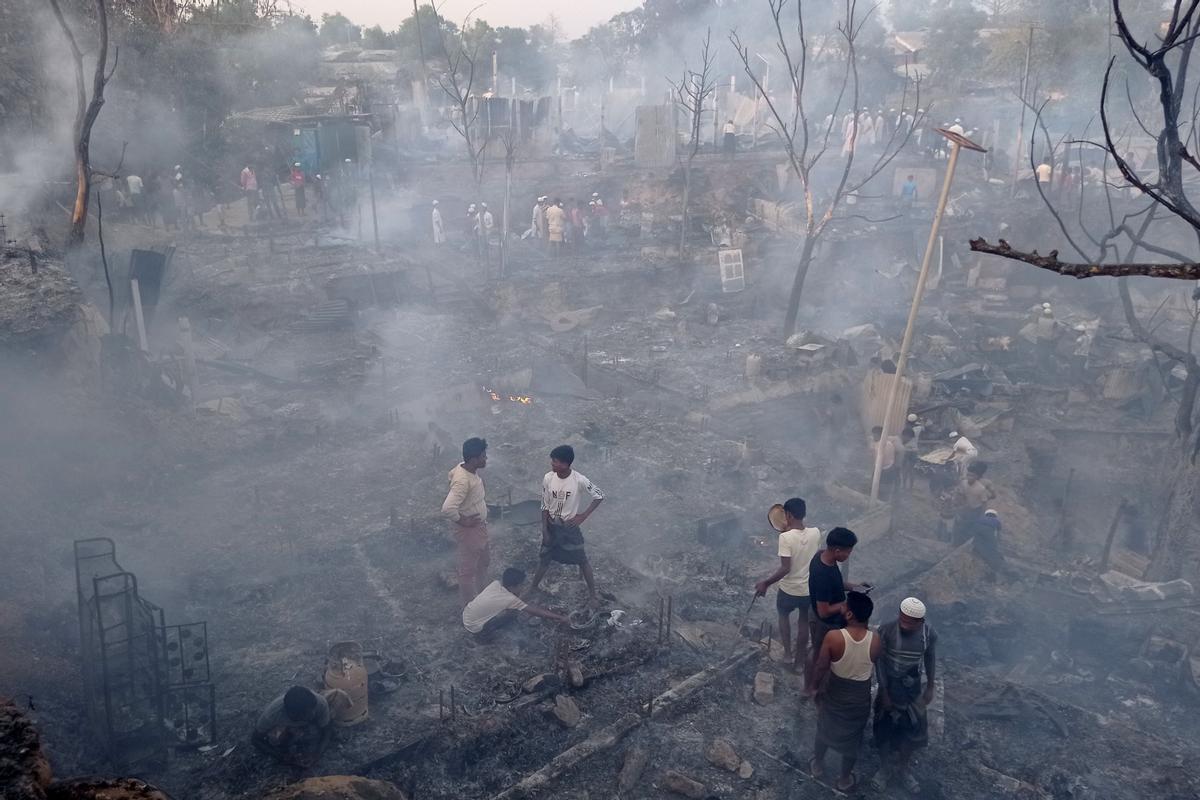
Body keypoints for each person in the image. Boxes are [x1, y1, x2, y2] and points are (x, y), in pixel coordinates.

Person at [811, 591, 881, 792]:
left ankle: (817, 765)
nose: (842, 609)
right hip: (859, 699)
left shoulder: (834, 637)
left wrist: (815, 688)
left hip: (836, 693)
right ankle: (843, 779)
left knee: (824, 728)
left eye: (845, 607)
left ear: (849, 615)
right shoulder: (875, 640)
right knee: (853, 738)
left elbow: (821, 666)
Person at [872, 597, 937, 794]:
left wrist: (930, 686)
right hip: (890, 685)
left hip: (912, 689)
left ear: (921, 621)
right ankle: (884, 769)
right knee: (883, 727)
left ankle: (903, 768)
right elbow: (879, 662)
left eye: (911, 622)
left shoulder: (928, 634)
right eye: (903, 619)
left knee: (913, 730)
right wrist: (884, 691)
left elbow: (930, 657)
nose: (906, 625)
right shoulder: (887, 630)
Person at [754, 497, 821, 675]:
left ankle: (788, 655)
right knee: (803, 623)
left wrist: (766, 583)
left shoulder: (785, 538)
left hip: (789, 590)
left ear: (788, 515)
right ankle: (799, 664)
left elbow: (785, 568)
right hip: (808, 590)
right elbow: (807, 544)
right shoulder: (815, 533)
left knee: (783, 617)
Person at [531, 445, 605, 603]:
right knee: (544, 558)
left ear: (565, 464)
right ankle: (533, 588)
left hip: (568, 529)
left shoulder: (579, 480)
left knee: (582, 560)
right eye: (552, 461)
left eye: (555, 462)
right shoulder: (548, 478)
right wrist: (544, 529)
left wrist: (583, 516)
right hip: (551, 526)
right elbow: (544, 504)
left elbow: (599, 495)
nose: (552, 464)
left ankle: (593, 595)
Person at [807, 527, 870, 681]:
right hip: (825, 623)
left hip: (824, 618)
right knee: (820, 657)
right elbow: (824, 611)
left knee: (819, 652)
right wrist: (845, 605)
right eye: (847, 552)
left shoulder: (821, 556)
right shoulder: (823, 575)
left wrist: (855, 587)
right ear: (836, 550)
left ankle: (813, 684)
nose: (848, 556)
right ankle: (811, 688)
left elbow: (836, 584)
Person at [441, 438, 490, 607]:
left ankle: (481, 592)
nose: (486, 459)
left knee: (484, 560)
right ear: (474, 459)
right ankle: (470, 607)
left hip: (479, 527)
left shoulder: (466, 468)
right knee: (467, 571)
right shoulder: (463, 481)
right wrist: (465, 521)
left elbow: (450, 475)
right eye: (483, 456)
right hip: (471, 531)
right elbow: (447, 508)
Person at [463, 567, 568, 640]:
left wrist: (517, 598)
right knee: (509, 619)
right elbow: (535, 611)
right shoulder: (509, 599)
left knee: (509, 613)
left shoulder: (495, 584)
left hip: (467, 614)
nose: (522, 587)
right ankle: (483, 638)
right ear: (512, 587)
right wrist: (558, 617)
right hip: (474, 628)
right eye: (521, 585)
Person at [252, 686, 337, 766]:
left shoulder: (320, 703)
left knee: (315, 732)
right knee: (275, 740)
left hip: (305, 726)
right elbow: (255, 739)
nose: (311, 715)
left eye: (312, 712)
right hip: (284, 725)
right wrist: (281, 756)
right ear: (291, 714)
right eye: (305, 715)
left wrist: (316, 755)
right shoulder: (273, 714)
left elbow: (327, 729)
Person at [951, 461, 994, 544]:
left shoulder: (971, 482)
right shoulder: (986, 482)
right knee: (967, 525)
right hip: (971, 507)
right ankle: (961, 542)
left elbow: (960, 493)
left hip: (971, 507)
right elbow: (993, 495)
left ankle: (958, 542)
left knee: (963, 524)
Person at [871, 426, 897, 498]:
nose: (873, 436)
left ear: (879, 435)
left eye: (874, 435)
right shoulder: (889, 443)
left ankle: (879, 500)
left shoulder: (879, 445)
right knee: (885, 489)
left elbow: (878, 460)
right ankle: (884, 500)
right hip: (890, 468)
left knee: (878, 488)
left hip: (883, 470)